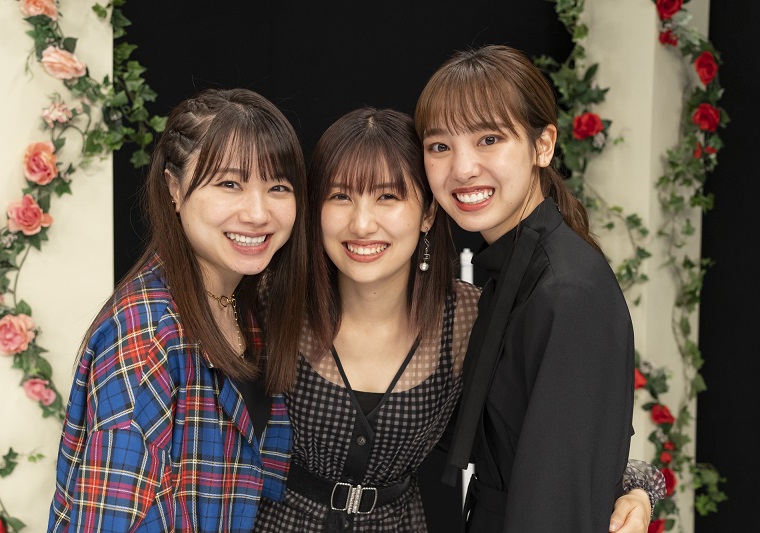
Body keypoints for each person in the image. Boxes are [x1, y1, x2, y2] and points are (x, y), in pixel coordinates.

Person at [254, 108, 661, 532]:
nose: (361, 224)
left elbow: (545, 430)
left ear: (428, 212)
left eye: (388, 197)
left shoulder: (465, 317)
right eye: (340, 196)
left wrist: (638, 487)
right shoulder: (272, 302)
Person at [415, 45, 655, 532]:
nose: (462, 168)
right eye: (440, 146)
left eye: (488, 139)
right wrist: (642, 481)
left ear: (542, 146)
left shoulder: (565, 291)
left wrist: (640, 485)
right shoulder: (515, 271)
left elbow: (556, 500)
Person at [47, 88, 307, 533]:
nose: (258, 212)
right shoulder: (147, 336)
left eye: (277, 187)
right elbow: (109, 521)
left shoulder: (242, 302)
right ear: (174, 188)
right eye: (230, 184)